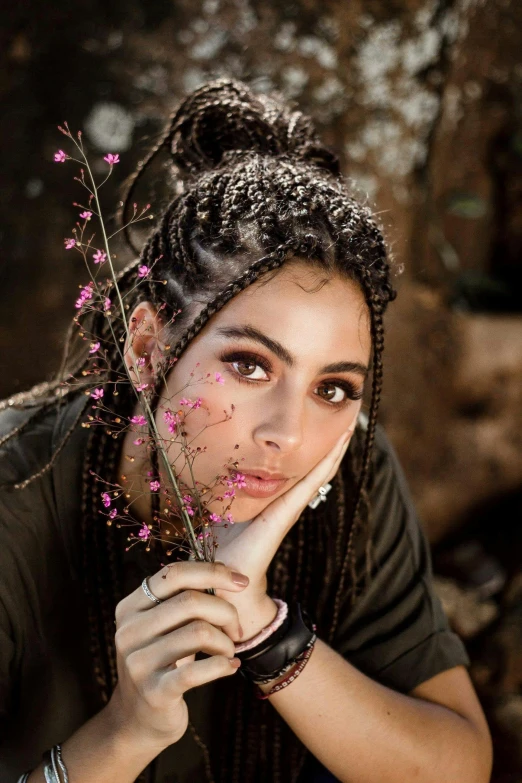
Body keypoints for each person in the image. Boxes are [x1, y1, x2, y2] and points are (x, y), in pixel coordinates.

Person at [0, 79, 492, 783]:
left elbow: (458, 767)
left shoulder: (347, 467)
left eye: (332, 387)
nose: (288, 435)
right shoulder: (13, 494)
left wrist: (264, 627)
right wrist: (126, 731)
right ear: (147, 348)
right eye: (249, 364)